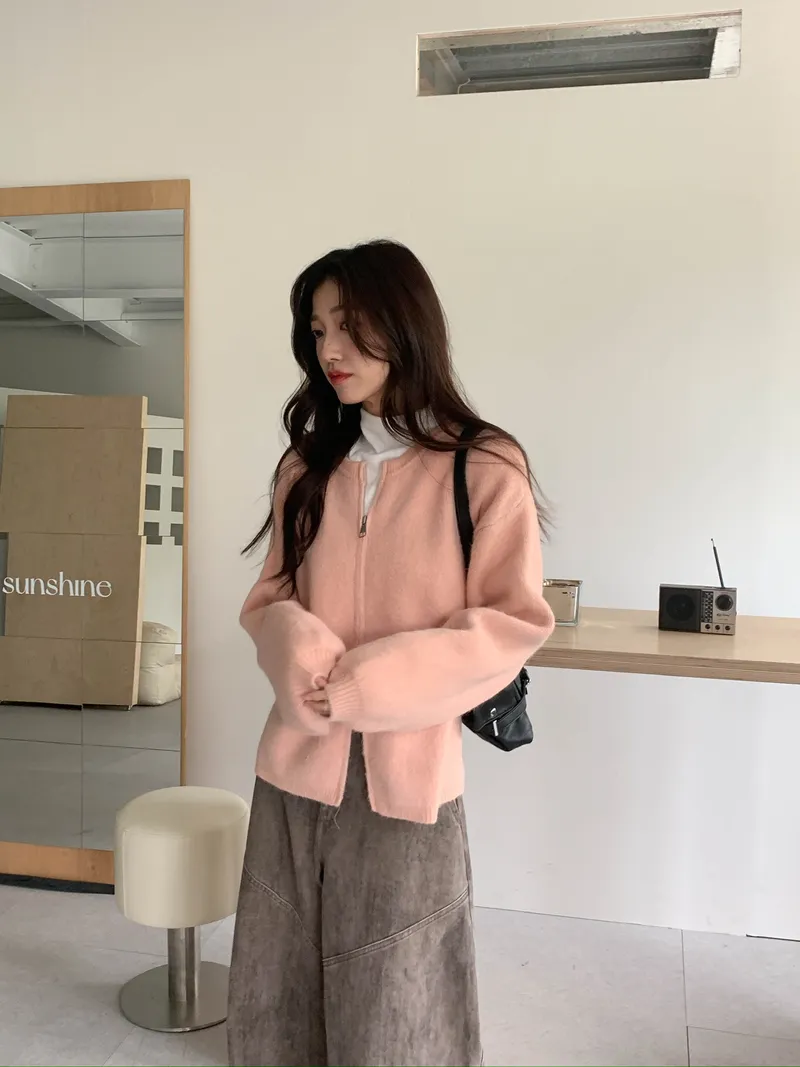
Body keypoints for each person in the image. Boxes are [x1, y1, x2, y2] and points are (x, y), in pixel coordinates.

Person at [228, 239, 556, 1067]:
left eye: (350, 324)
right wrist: (296, 648)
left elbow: (512, 624)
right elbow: (268, 598)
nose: (329, 349)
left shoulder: (483, 466)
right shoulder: (306, 467)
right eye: (317, 330)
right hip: (294, 765)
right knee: (278, 982)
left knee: (401, 998)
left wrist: (370, 683)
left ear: (406, 324)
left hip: (409, 777)